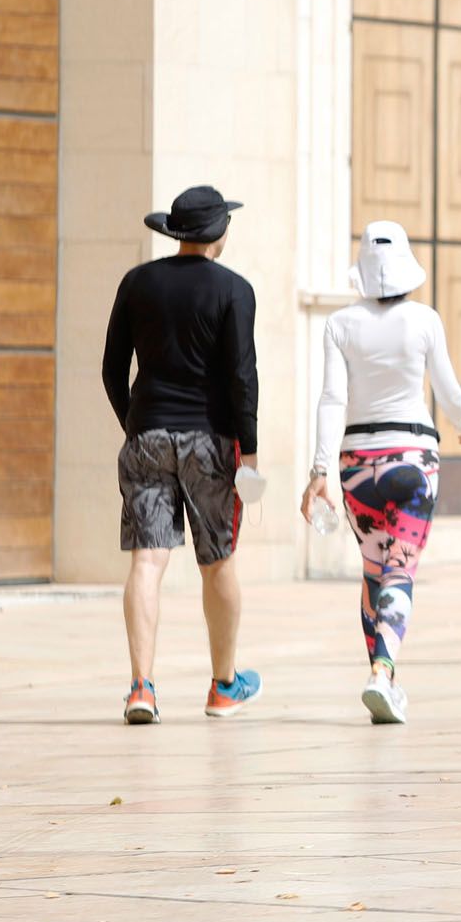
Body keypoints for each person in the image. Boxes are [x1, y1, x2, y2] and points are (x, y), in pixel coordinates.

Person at [302, 223, 461, 724]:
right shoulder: (425, 320)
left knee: (372, 570)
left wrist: (319, 468)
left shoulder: (339, 324)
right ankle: (383, 673)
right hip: (413, 459)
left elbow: (331, 399)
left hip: (357, 464)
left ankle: (383, 681)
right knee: (400, 570)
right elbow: (447, 390)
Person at [102, 186, 261, 724]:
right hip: (210, 441)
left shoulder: (137, 282)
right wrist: (251, 452)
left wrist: (136, 422)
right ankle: (223, 686)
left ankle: (141, 688)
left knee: (147, 560)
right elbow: (242, 378)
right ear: (219, 232)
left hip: (146, 433)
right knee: (216, 560)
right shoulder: (234, 290)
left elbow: (110, 369)